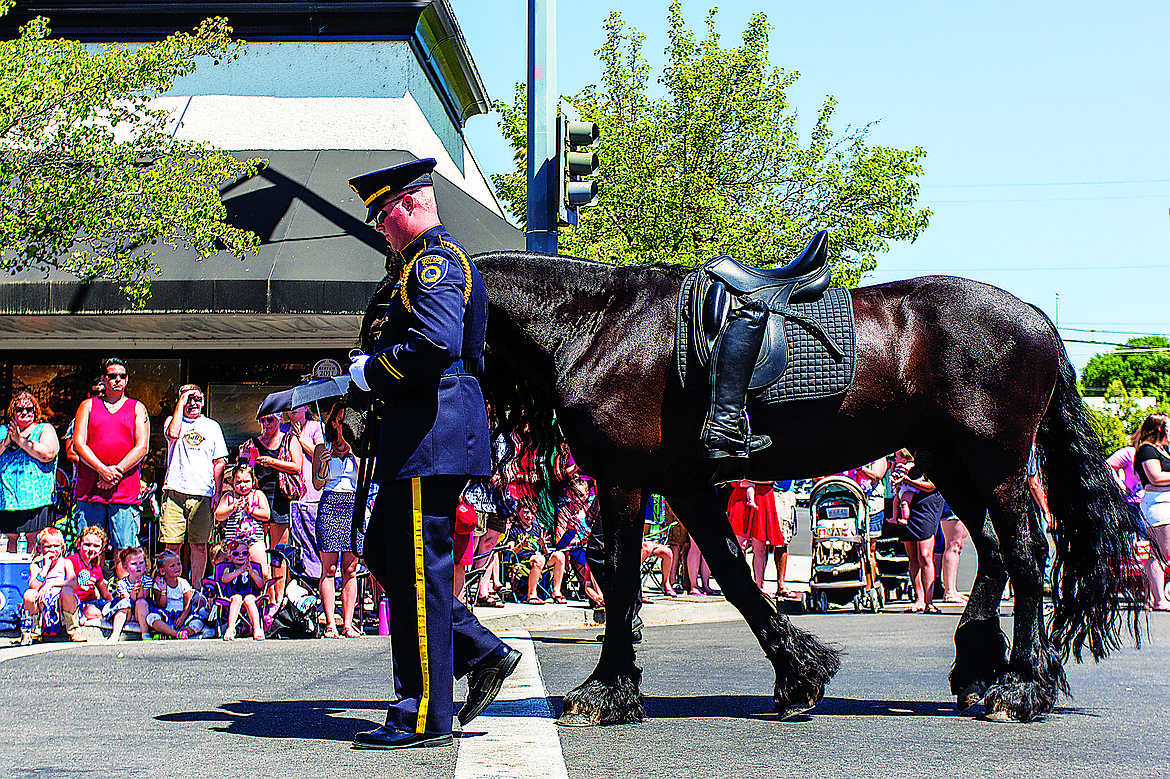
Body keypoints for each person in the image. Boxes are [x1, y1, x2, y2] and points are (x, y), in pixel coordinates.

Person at [347, 157, 519, 749]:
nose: (379, 228)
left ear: (412, 204)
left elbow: (433, 345)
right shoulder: (412, 266)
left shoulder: (435, 264)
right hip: (416, 433)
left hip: (431, 432)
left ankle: (423, 712)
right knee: (390, 560)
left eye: (383, 214)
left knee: (419, 574)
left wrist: (375, 371)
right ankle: (478, 648)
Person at [72, 358, 149, 578]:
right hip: (90, 490)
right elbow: (79, 444)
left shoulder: (137, 407)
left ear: (127, 379)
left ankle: (124, 599)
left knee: (124, 551)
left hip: (124, 491)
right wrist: (102, 470)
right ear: (104, 379)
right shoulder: (88, 406)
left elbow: (142, 447)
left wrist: (115, 472)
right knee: (90, 550)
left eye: (122, 376)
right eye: (112, 376)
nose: (117, 380)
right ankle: (90, 597)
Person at [161, 384, 227, 585]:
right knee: (172, 545)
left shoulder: (212, 426)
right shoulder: (173, 421)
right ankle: (172, 588)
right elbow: (172, 434)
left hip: (203, 493)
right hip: (174, 490)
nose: (193, 403)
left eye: (197, 399)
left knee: (199, 545)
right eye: (189, 399)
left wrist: (217, 491)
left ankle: (196, 588)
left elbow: (220, 461)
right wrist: (182, 401)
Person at [238, 406, 302, 610]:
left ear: (278, 420)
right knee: (256, 546)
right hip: (258, 496)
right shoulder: (253, 442)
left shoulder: (288, 439)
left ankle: (278, 599)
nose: (266, 425)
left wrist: (272, 462)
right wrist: (244, 457)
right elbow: (244, 470)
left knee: (278, 551)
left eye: (270, 420)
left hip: (280, 496)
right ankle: (264, 595)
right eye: (263, 421)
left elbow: (297, 466)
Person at [311, 402, 362, 638]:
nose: (345, 425)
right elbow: (318, 483)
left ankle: (348, 623)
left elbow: (366, 479)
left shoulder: (360, 449)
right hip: (331, 503)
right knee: (329, 568)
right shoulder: (322, 448)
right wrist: (323, 463)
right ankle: (331, 622)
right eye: (341, 421)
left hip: (353, 504)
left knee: (350, 569)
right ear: (334, 423)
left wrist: (354, 453)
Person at [0, 392, 60, 555]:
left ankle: (33, 577)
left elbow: (48, 454)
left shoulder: (45, 429)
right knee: (9, 541)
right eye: (20, 409)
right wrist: (7, 441)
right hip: (7, 501)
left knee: (34, 540)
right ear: (12, 411)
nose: (25, 412)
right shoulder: (3, 431)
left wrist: (21, 441)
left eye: (29, 409)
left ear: (36, 411)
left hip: (37, 500)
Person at [894, 452, 944, 614]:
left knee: (925, 555)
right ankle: (919, 600)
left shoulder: (928, 463)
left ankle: (930, 602)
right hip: (908, 508)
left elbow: (931, 486)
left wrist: (908, 480)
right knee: (913, 557)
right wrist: (898, 482)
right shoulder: (903, 466)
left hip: (926, 508)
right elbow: (896, 486)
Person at [1134, 412, 1170, 611]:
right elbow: (1155, 477)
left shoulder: (1161, 450)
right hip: (1158, 505)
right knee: (1160, 553)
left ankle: (1151, 597)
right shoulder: (1147, 450)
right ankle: (1158, 599)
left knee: (1160, 552)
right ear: (1160, 429)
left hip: (1165, 502)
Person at [727, 479, 784, 595]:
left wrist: (752, 482)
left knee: (760, 549)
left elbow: (770, 479)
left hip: (763, 498)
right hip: (741, 497)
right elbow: (732, 478)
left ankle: (759, 585)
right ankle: (737, 583)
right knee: (739, 546)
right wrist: (740, 483)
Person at [58, 525, 114, 640]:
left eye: (96, 546)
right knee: (93, 612)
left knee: (110, 609)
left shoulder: (96, 568)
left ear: (101, 549)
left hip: (92, 600)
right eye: (87, 545)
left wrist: (114, 605)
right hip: (76, 602)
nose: (91, 549)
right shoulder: (72, 561)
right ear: (79, 545)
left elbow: (105, 592)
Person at [19, 527, 70, 645]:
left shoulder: (65, 563)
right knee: (29, 594)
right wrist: (45, 568)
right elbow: (34, 586)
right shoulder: (36, 565)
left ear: (62, 548)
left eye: (56, 546)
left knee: (68, 591)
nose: (52, 550)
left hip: (59, 602)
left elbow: (73, 582)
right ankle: (32, 630)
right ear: (40, 548)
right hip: (42, 601)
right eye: (48, 547)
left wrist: (51, 584)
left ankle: (72, 628)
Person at [506, 498, 556, 604]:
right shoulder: (514, 530)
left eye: (532, 512)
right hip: (523, 561)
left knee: (559, 556)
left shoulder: (539, 529)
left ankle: (557, 593)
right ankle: (532, 595)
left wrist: (543, 546)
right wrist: (521, 546)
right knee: (539, 559)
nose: (529, 516)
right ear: (518, 511)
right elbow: (510, 554)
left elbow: (547, 553)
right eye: (525, 512)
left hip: (540, 560)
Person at [146, 550, 205, 639]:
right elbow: (161, 605)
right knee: (152, 618)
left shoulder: (183, 583)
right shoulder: (158, 585)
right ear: (162, 571)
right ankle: (174, 634)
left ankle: (178, 633)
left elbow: (187, 604)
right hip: (165, 614)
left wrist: (183, 617)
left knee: (197, 623)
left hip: (182, 615)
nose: (177, 567)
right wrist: (163, 591)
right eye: (172, 566)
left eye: (178, 564)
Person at [219, 537, 265, 641]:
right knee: (237, 599)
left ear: (248, 555)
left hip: (250, 593)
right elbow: (224, 579)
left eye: (244, 553)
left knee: (249, 600)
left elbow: (261, 585)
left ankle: (257, 628)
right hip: (233, 594)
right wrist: (238, 571)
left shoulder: (253, 569)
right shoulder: (228, 569)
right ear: (230, 556)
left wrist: (252, 574)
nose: (240, 556)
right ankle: (230, 628)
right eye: (236, 554)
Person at [108, 546, 153, 643]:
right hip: (128, 612)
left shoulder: (148, 580)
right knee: (125, 604)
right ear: (125, 567)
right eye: (134, 564)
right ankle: (115, 633)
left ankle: (145, 633)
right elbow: (127, 600)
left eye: (141, 563)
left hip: (140, 613)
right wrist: (133, 592)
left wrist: (140, 589)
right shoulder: (122, 583)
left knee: (141, 602)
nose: (139, 566)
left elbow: (143, 597)